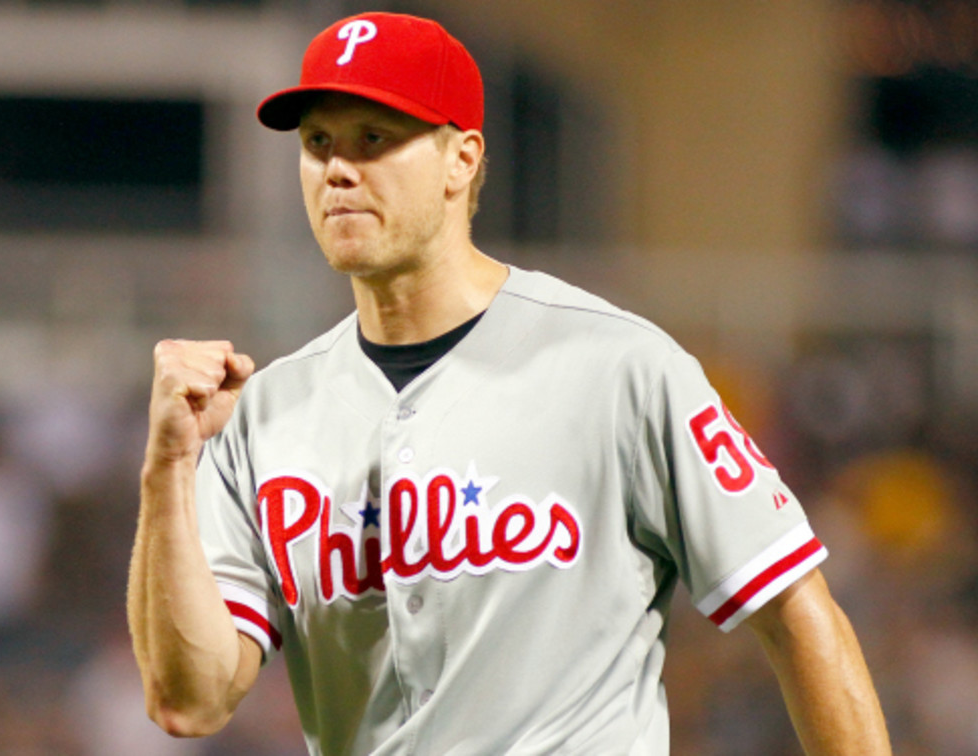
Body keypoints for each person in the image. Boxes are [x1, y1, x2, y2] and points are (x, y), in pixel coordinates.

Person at [128, 11, 891, 755]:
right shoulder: (265, 414)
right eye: (318, 142)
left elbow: (795, 611)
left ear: (462, 158)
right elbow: (188, 700)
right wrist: (167, 469)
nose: (338, 169)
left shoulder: (617, 367)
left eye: (375, 138)